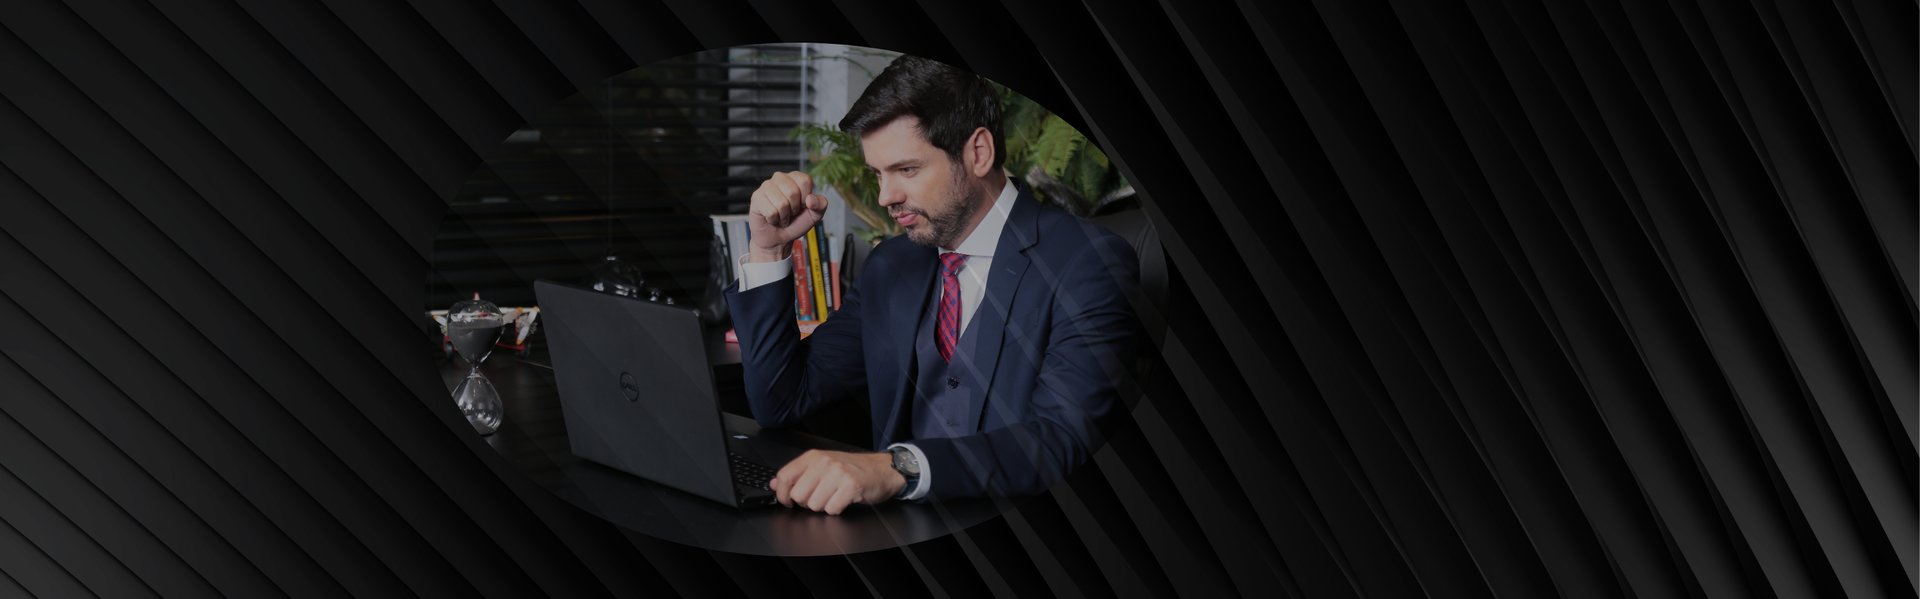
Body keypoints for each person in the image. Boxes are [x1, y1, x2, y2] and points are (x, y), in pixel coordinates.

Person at [725, 55, 1144, 515]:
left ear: (978, 152)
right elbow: (782, 402)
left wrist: (899, 468)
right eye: (877, 174)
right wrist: (768, 251)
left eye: (906, 170)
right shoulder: (891, 266)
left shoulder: (1087, 261)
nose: (886, 197)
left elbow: (1062, 440)